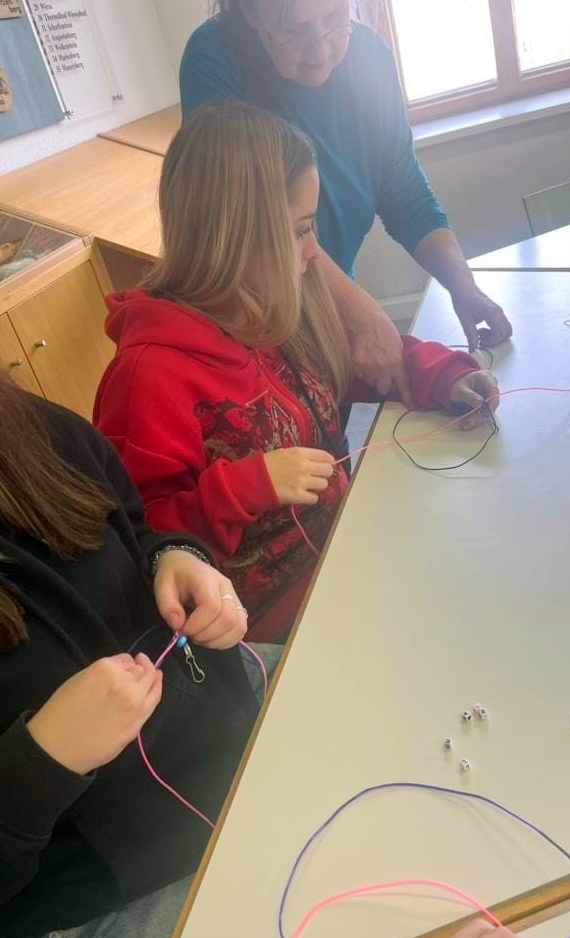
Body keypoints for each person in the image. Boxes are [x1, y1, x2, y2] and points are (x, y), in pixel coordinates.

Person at [94, 101, 500, 646]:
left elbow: (348, 363)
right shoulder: (148, 376)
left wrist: (439, 373)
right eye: (303, 230)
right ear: (236, 236)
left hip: (347, 552)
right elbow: (143, 541)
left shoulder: (273, 308)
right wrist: (246, 487)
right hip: (266, 628)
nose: (314, 252)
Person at [0, 373, 262, 938]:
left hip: (226, 737)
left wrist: (177, 558)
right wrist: (42, 760)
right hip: (101, 893)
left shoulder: (38, 427)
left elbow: (135, 532)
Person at [179, 0, 513, 407]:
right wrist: (363, 314)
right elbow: (254, 218)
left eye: (336, 19)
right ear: (249, 13)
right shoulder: (213, 59)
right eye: (294, 29)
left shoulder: (369, 56)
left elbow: (403, 189)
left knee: (328, 421)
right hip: (259, 320)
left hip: (325, 313)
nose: (321, 50)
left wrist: (462, 284)